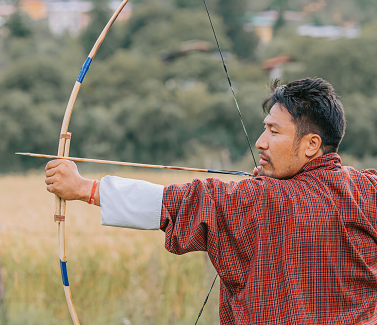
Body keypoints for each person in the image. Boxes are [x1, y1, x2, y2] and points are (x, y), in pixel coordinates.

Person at [45, 78, 377, 324]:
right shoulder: (369, 190)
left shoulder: (261, 200)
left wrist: (83, 188)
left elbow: (178, 203)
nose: (261, 142)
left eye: (274, 132)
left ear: (311, 145)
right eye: (263, 130)